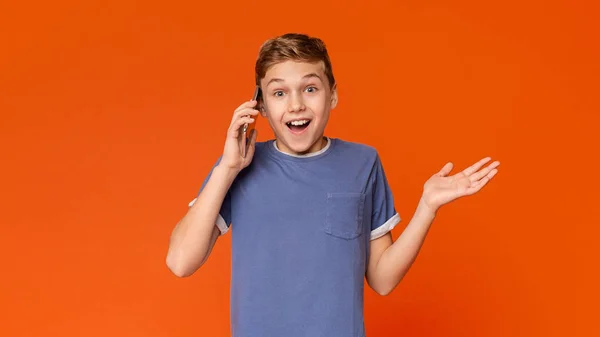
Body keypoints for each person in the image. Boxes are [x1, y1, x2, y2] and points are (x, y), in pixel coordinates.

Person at [166, 33, 500, 337]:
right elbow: (181, 262)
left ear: (333, 96)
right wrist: (226, 168)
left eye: (310, 89)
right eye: (279, 93)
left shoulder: (363, 163)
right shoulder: (238, 164)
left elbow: (382, 281)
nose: (296, 104)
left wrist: (426, 207)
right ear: (262, 107)